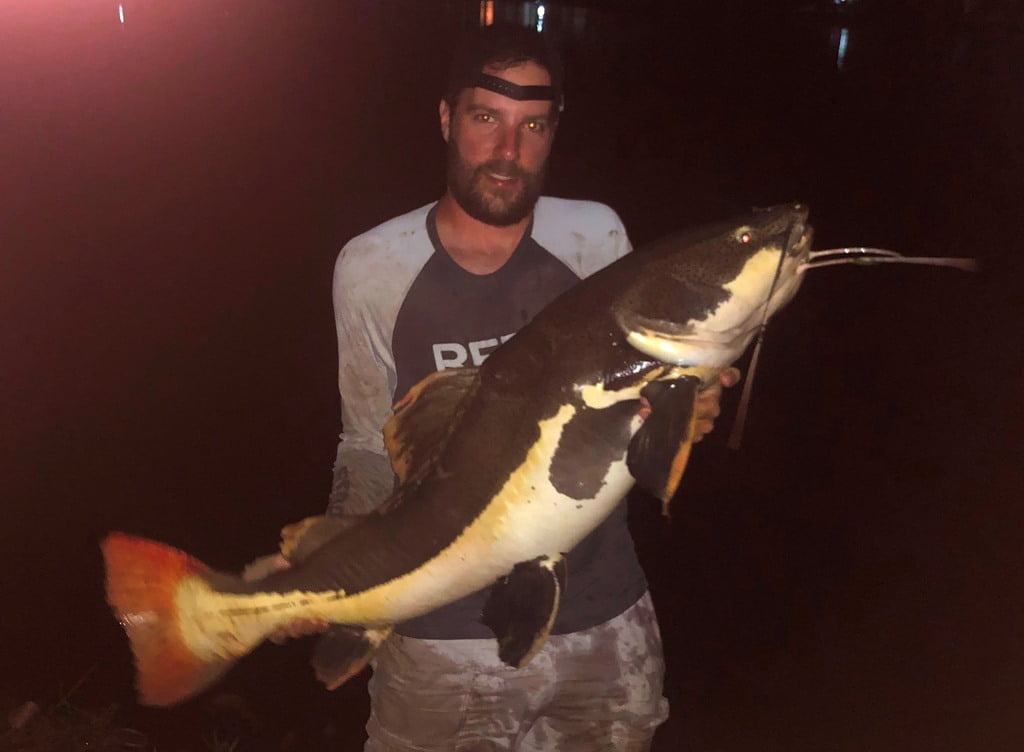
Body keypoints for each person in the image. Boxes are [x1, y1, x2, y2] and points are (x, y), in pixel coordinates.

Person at [323, 25, 738, 751]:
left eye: (533, 126)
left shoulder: (595, 238)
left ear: (555, 130)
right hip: (440, 636)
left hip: (603, 619)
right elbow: (366, 446)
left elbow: (633, 413)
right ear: (447, 118)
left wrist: (684, 414)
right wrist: (337, 572)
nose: (508, 151)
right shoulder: (373, 266)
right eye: (486, 118)